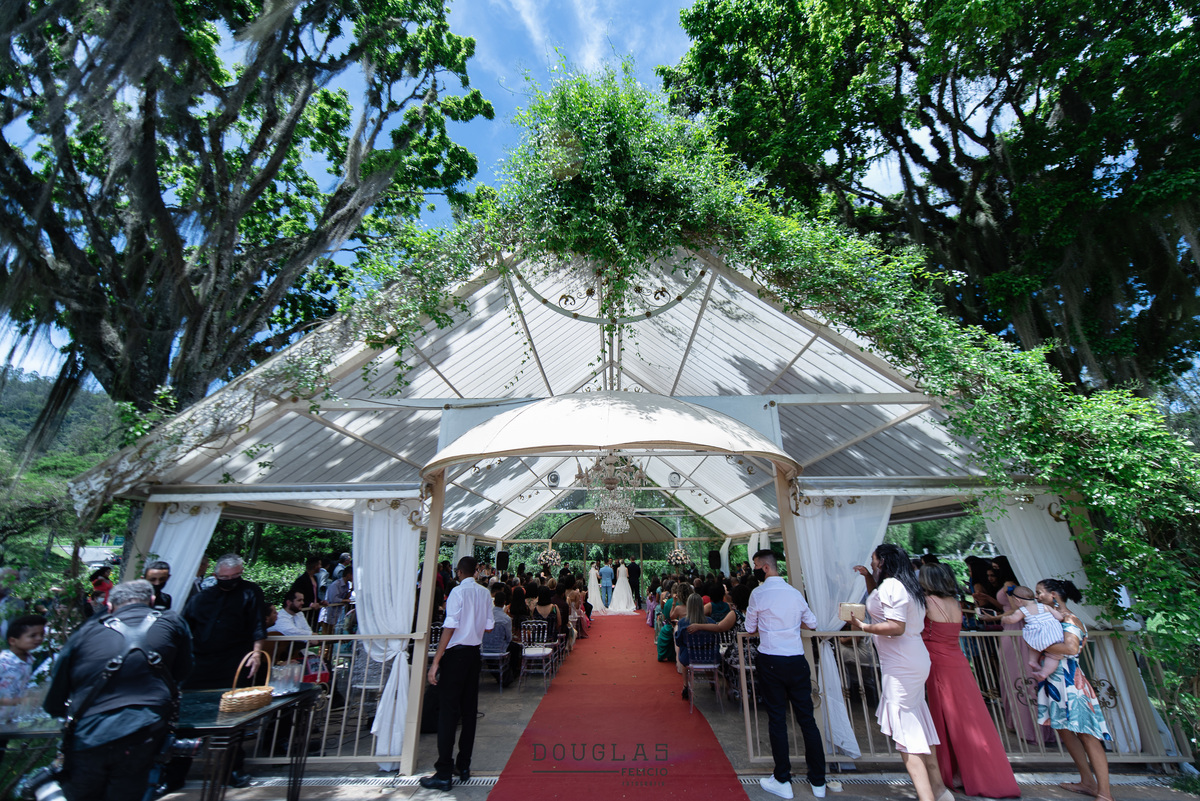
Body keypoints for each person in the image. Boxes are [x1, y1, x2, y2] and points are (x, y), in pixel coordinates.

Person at [44, 580, 192, 801]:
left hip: (90, 733)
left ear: (110, 606)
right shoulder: (172, 622)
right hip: (145, 730)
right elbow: (184, 671)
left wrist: (57, 711)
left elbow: (58, 685)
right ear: (152, 601)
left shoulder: (87, 632)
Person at [850, 544, 948, 801]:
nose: (871, 563)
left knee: (905, 732)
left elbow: (895, 626)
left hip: (901, 663)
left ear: (882, 560)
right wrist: (868, 578)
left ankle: (926, 796)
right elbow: (881, 606)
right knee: (917, 721)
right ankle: (939, 789)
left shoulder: (892, 586)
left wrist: (864, 627)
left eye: (872, 560)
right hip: (912, 657)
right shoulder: (906, 586)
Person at [919, 564, 1020, 798]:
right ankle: (971, 772)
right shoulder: (955, 602)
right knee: (967, 718)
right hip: (958, 661)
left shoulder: (926, 602)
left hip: (939, 664)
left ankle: (953, 772)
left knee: (945, 718)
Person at [744, 549, 832, 799]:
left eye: (755, 565)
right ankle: (818, 781)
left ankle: (783, 778)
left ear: (764, 567)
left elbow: (750, 628)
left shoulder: (758, 594)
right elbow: (812, 623)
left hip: (771, 660)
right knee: (807, 719)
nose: (754, 569)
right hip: (796, 660)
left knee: (777, 719)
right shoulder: (795, 593)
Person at [1035, 578, 1112, 801]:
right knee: (1065, 731)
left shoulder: (1070, 619)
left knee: (1087, 735)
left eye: (1040, 593)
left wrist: (1040, 643)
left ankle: (1105, 793)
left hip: (1070, 683)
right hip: (1055, 683)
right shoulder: (1051, 620)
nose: (1037, 597)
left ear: (1054, 596)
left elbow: (1070, 648)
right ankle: (1087, 782)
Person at [421, 556, 493, 792]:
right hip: (474, 654)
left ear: (460, 572)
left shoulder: (457, 593)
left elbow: (449, 627)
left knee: (448, 714)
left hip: (456, 655)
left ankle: (443, 771)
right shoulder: (484, 593)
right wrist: (473, 624)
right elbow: (489, 626)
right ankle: (464, 766)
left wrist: (436, 661)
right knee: (469, 712)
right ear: (476, 571)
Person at [182, 554, 268, 690]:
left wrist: (256, 654)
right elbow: (185, 626)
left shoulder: (251, 592)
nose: (230, 580)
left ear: (241, 573)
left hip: (234, 660)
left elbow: (258, 625)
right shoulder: (201, 597)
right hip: (201, 660)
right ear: (215, 576)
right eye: (225, 577)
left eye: (234, 577)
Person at [1001, 584, 1066, 680]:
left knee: (1033, 646)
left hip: (1036, 636)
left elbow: (1012, 620)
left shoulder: (1022, 611)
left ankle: (1033, 661)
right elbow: (1059, 617)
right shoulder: (1044, 607)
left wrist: (1004, 618)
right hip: (1052, 635)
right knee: (1054, 656)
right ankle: (1044, 673)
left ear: (1018, 600)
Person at [673, 593, 715, 700]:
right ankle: (712, 683)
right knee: (705, 652)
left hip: (689, 657)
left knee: (683, 650)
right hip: (709, 656)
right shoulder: (711, 622)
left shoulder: (682, 622)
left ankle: (685, 685)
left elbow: (678, 642)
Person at [0, 614, 46, 708]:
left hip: (12, 718)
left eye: (42, 635)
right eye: (33, 635)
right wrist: (18, 701)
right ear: (12, 641)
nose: (39, 638)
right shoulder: (3, 662)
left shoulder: (29, 660)